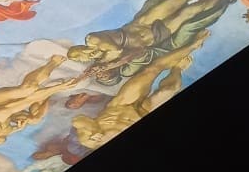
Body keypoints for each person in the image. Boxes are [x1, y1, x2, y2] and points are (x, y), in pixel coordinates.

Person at [66, 0, 245, 82]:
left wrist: (105, 61)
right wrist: (107, 64)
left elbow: (116, 49)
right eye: (81, 61)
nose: (83, 59)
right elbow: (134, 54)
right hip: (157, 35)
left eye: (79, 56)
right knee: (194, 9)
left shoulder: (92, 39)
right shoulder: (102, 62)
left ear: (80, 49)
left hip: (144, 22)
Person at [72, 31, 209, 149]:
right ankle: (177, 69)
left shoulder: (90, 142)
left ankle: (193, 45)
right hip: (144, 112)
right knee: (169, 90)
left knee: (151, 70)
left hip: (122, 104)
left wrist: (93, 130)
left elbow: (78, 120)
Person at [0, 54, 86, 145]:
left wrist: (59, 87)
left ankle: (53, 62)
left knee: (26, 90)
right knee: (34, 120)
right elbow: (4, 135)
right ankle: (47, 95)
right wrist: (19, 127)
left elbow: (27, 100)